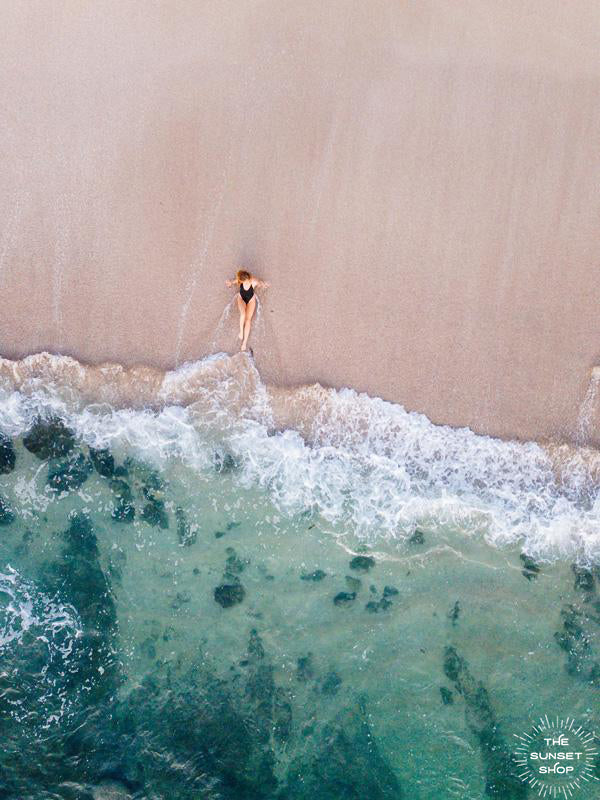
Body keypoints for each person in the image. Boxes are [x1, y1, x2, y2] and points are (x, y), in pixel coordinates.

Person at [225, 269, 270, 351]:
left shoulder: (253, 281)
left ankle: (244, 342)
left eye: (244, 282)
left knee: (248, 320)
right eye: (241, 282)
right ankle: (241, 332)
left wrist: (264, 284)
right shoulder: (241, 279)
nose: (242, 283)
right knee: (243, 314)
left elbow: (260, 283)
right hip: (241, 298)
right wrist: (230, 283)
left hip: (251, 300)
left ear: (247, 279)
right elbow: (235, 281)